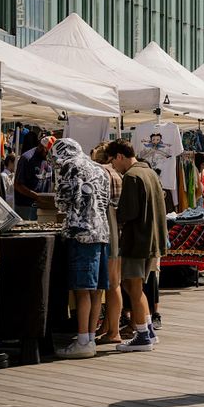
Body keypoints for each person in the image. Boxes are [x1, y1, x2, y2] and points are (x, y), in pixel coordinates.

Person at [51, 139, 111, 358]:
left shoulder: (70, 166)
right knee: (96, 290)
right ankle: (90, 338)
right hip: (102, 233)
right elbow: (106, 202)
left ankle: (83, 340)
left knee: (82, 289)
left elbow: (63, 200)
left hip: (81, 233)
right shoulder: (99, 168)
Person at [107, 139, 167, 353]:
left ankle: (142, 336)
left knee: (134, 288)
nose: (113, 166)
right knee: (136, 287)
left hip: (137, 241)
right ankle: (148, 331)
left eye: (113, 162)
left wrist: (112, 210)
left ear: (120, 156)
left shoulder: (132, 176)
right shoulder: (149, 172)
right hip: (151, 240)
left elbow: (127, 213)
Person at [91, 144, 124, 344]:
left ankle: (114, 332)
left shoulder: (103, 173)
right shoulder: (117, 174)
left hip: (109, 232)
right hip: (118, 233)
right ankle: (110, 328)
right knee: (114, 283)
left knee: (112, 284)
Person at [13, 132, 53, 222]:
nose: (49, 156)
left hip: (42, 206)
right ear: (41, 147)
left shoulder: (48, 159)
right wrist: (37, 196)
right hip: (27, 207)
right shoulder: (26, 158)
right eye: (48, 152)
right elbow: (17, 185)